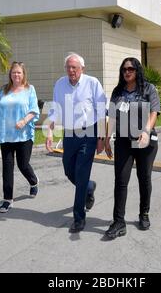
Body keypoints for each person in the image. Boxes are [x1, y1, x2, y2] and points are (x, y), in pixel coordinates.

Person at [45, 52, 106, 233]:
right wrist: (49, 132)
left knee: (81, 171)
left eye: (75, 67)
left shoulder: (92, 83)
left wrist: (102, 138)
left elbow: (102, 111)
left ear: (82, 69)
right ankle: (89, 186)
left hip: (89, 133)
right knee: (68, 169)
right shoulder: (60, 84)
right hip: (69, 134)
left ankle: (79, 217)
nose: (71, 71)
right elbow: (54, 110)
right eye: (68, 67)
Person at [104, 57, 160, 239]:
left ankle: (144, 213)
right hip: (123, 141)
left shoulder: (148, 89)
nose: (126, 72)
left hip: (144, 140)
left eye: (130, 69)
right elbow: (112, 116)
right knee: (121, 181)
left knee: (144, 178)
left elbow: (154, 112)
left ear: (137, 71)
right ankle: (118, 222)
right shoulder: (118, 91)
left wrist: (146, 130)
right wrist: (106, 138)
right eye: (124, 69)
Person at [0, 61, 40, 213]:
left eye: (19, 72)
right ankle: (7, 199)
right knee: (7, 166)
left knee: (23, 164)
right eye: (14, 72)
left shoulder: (29, 89)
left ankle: (33, 182)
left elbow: (34, 110)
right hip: (6, 135)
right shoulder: (4, 90)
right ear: (10, 74)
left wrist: (24, 121)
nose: (16, 75)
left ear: (23, 74)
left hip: (24, 134)